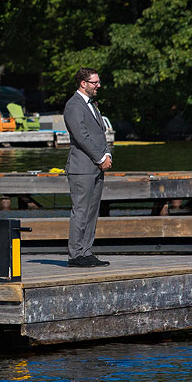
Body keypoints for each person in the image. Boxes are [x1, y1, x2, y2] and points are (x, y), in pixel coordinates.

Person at [64, 67, 111, 267]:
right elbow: (82, 137)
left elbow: (100, 133)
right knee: (81, 211)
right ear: (83, 83)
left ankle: (86, 251)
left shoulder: (92, 104)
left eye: (98, 82)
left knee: (92, 210)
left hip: (95, 167)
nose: (98, 85)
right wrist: (100, 157)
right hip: (81, 167)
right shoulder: (73, 106)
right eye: (94, 82)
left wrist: (107, 153)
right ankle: (76, 254)